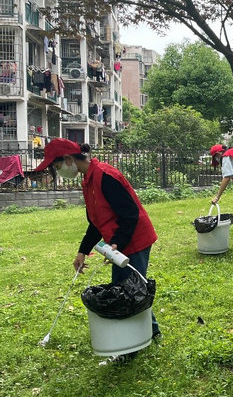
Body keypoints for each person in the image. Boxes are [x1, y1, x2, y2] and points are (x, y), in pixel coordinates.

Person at [34, 138, 160, 359]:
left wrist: (116, 244)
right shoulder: (88, 180)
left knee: (128, 289)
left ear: (69, 159)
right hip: (119, 242)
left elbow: (130, 214)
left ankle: (131, 347)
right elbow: (96, 221)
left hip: (134, 239)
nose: (58, 171)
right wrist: (83, 251)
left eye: (57, 166)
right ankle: (152, 331)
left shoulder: (105, 176)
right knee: (129, 286)